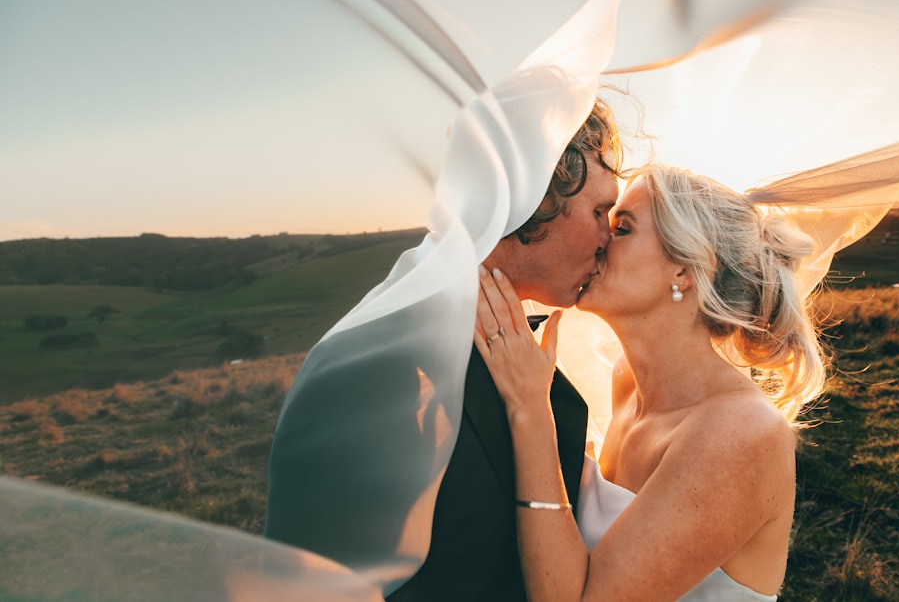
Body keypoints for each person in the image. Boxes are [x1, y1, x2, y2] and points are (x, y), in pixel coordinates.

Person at [265, 98, 625, 601]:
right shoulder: (372, 365)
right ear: (533, 203)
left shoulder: (512, 336)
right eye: (599, 211)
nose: (610, 238)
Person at [474, 164, 828, 601]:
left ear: (684, 270)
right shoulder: (626, 385)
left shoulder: (743, 432)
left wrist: (530, 410)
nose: (599, 240)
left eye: (621, 228)